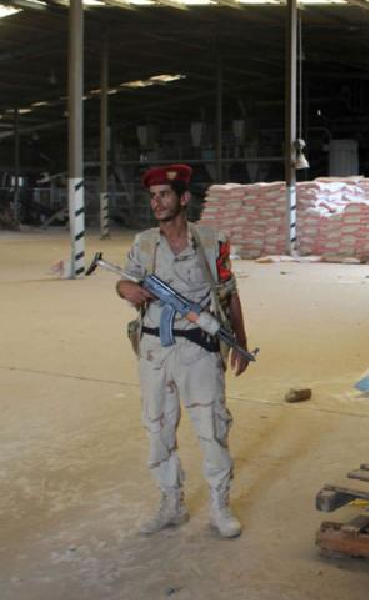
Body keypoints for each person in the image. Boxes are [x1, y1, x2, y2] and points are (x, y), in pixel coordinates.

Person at [116, 164, 249, 538]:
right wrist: (126, 290)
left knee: (211, 427)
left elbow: (229, 292)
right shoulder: (144, 244)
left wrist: (239, 340)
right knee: (157, 428)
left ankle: (220, 507)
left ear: (184, 198)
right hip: (154, 350)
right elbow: (124, 281)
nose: (157, 203)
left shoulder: (211, 242)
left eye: (164, 195)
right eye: (153, 196)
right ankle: (171, 504)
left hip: (198, 349)